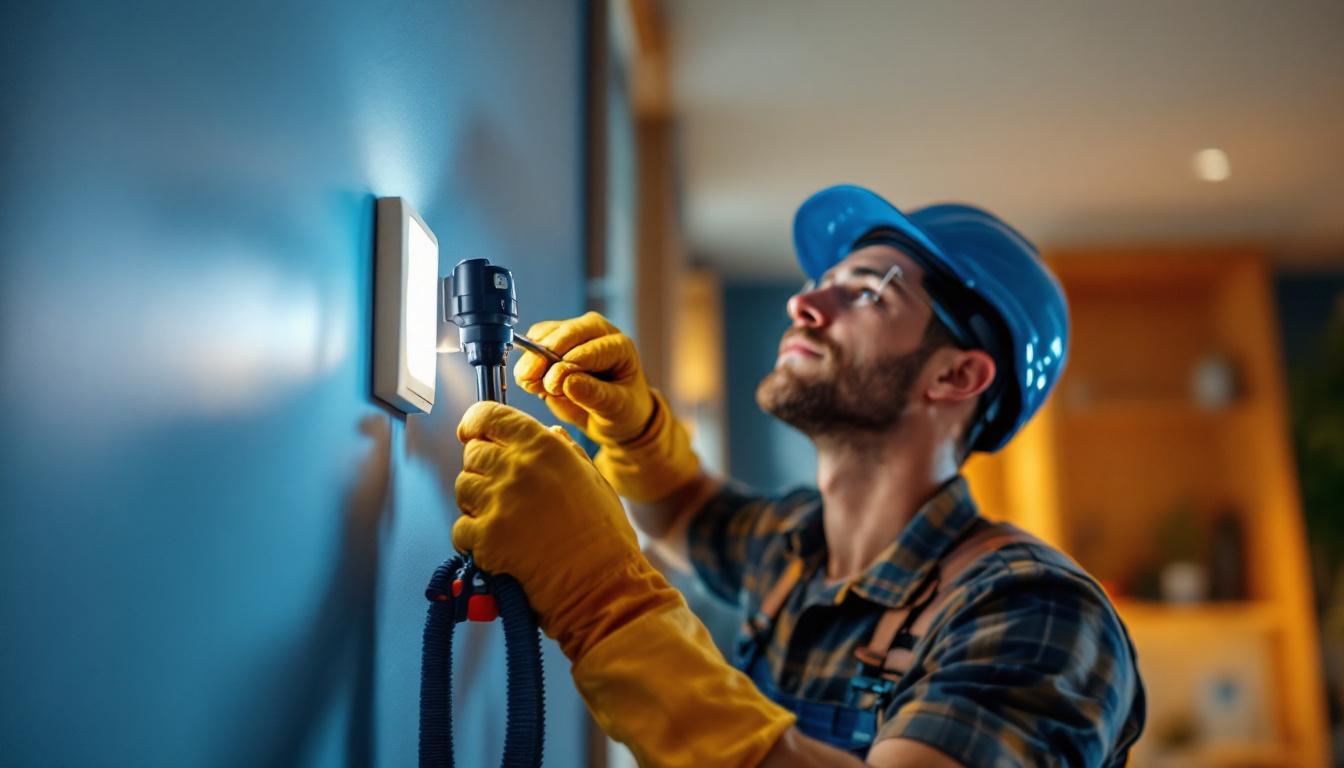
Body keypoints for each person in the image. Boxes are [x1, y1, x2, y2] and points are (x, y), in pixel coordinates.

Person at [452, 184, 1146, 767]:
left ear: (957, 374)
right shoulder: (795, 547)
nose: (805, 305)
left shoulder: (1035, 610)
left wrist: (599, 599)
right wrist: (635, 432)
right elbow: (684, 510)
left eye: (869, 294)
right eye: (822, 284)